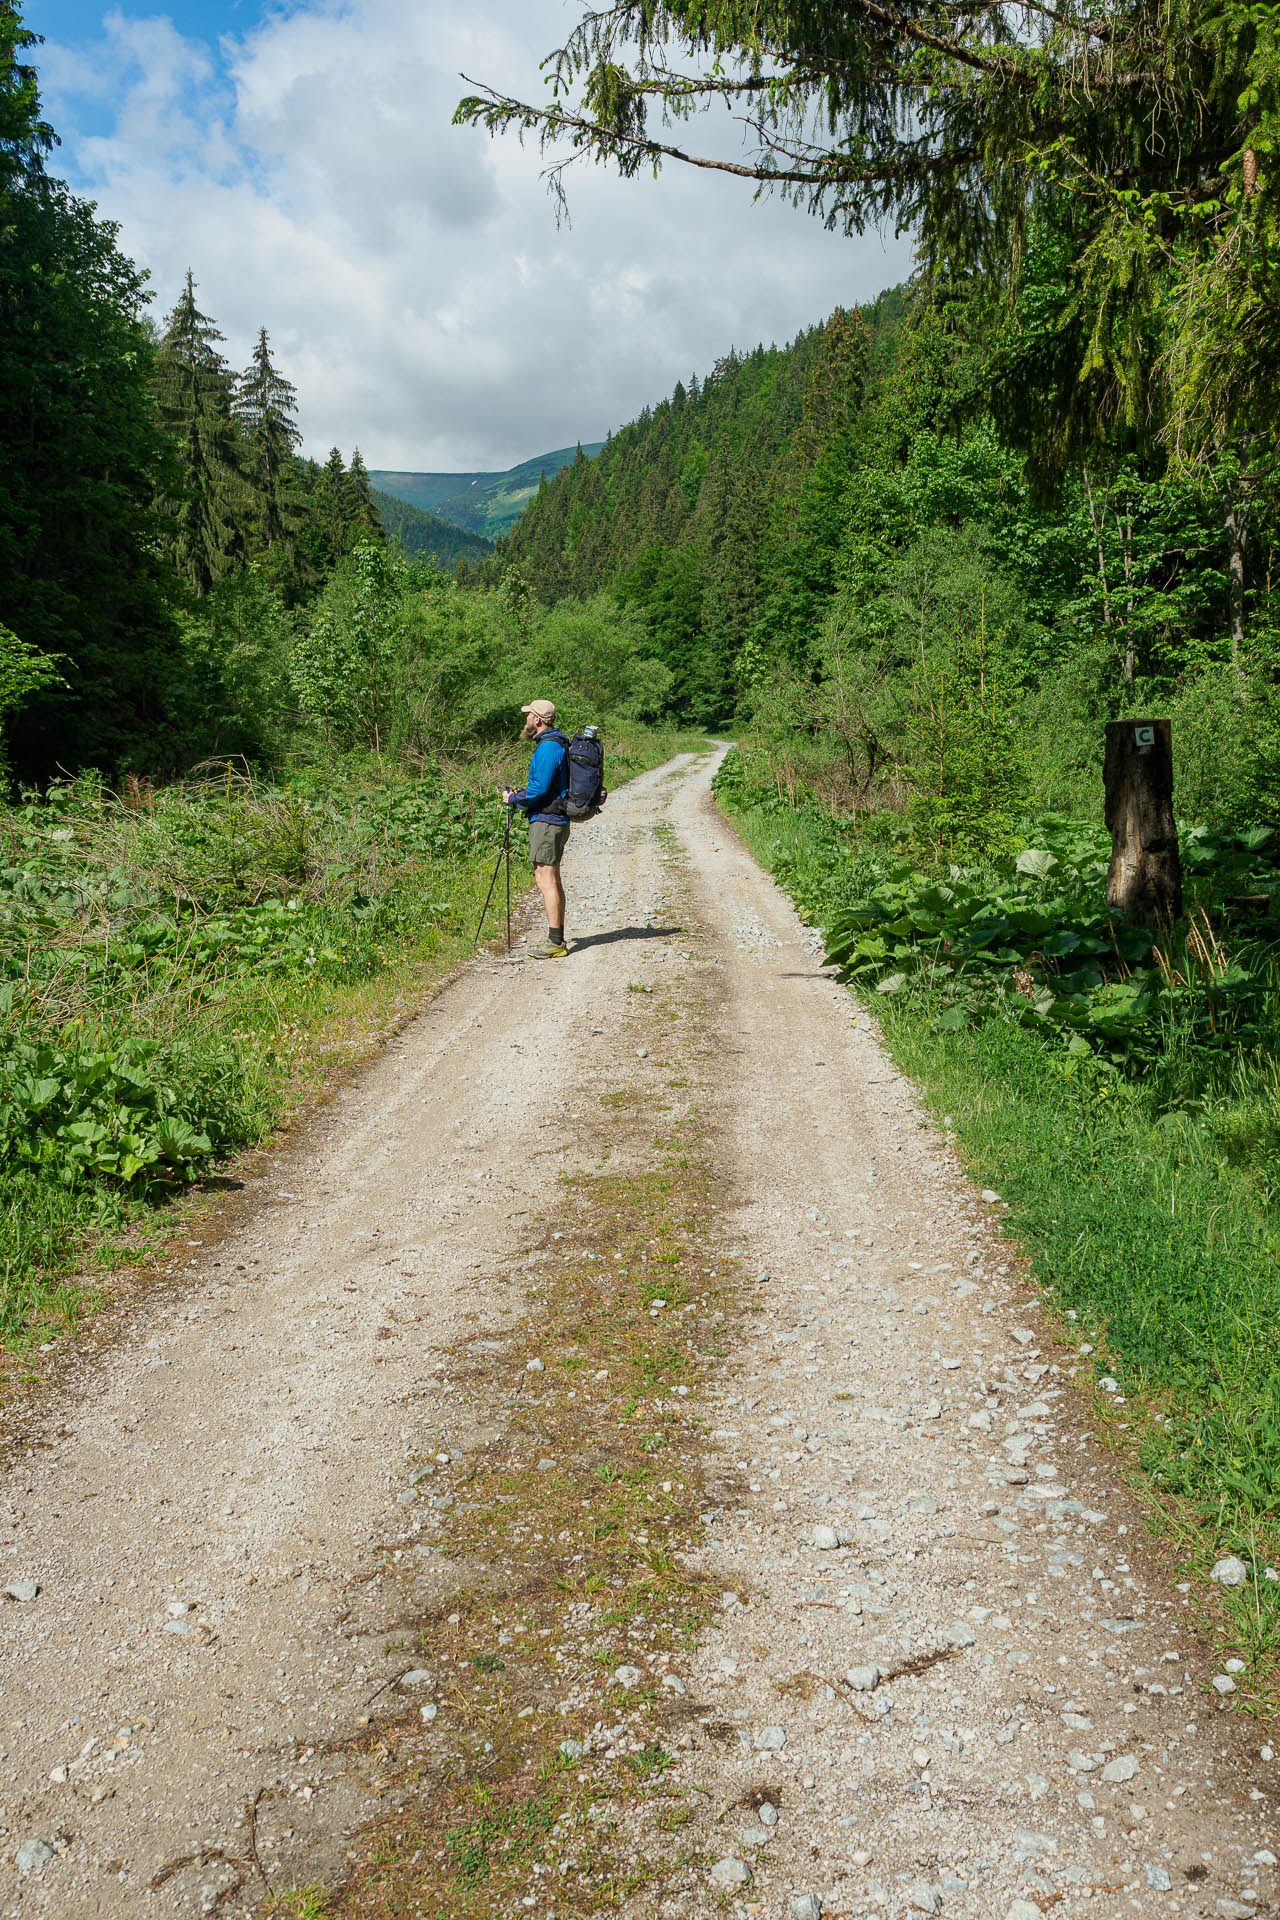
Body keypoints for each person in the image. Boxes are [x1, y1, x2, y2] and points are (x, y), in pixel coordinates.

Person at [502, 698, 571, 958]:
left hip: (547, 820)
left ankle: (556, 943)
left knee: (545, 880)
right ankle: (557, 939)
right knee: (551, 879)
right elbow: (544, 785)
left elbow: (540, 789)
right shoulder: (555, 744)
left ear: (538, 720)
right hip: (553, 818)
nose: (526, 720)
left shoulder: (547, 748)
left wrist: (514, 799)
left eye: (529, 716)